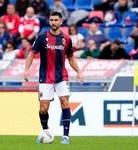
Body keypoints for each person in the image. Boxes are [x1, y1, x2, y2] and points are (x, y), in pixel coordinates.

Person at [24, 11, 83, 144]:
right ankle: (46, 131)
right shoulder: (41, 37)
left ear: (61, 22)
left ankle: (65, 136)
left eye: (56, 20)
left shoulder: (66, 39)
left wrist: (78, 71)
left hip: (61, 76)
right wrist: (27, 69)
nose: (53, 22)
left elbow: (71, 59)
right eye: (51, 20)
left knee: (65, 102)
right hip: (45, 77)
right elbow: (31, 54)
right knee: (43, 108)